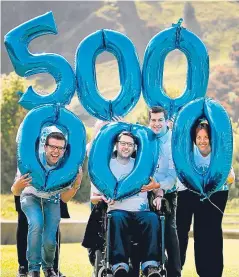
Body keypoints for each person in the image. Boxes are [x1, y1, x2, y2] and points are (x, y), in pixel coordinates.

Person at [87, 126, 162, 277]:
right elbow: (93, 198)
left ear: (135, 147)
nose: (126, 147)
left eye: (130, 144)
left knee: (153, 218)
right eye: (123, 143)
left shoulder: (142, 165)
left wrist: (158, 194)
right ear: (116, 144)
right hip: (117, 212)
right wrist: (102, 198)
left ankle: (151, 265)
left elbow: (157, 188)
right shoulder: (106, 166)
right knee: (117, 218)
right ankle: (119, 265)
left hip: (141, 212)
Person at [11, 132, 83, 277]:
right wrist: (17, 186)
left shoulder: (66, 167)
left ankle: (49, 268)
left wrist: (76, 186)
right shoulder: (31, 160)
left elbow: (64, 199)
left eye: (60, 148)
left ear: (64, 150)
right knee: (36, 223)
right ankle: (33, 269)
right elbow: (15, 190)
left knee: (50, 239)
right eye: (52, 147)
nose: (56, 151)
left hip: (52, 199)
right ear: (45, 146)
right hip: (30, 196)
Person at [176, 119, 235, 277]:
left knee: (212, 232)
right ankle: (196, 270)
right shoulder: (190, 152)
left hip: (217, 195)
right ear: (194, 139)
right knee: (197, 233)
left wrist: (221, 177)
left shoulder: (218, 151)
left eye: (205, 137)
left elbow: (231, 178)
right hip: (195, 194)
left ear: (210, 138)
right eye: (199, 137)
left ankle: (214, 272)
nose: (202, 141)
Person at [141, 106, 181, 277]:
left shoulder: (172, 141)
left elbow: (173, 176)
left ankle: (174, 272)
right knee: (147, 230)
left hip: (168, 191)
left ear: (166, 121)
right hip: (145, 191)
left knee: (169, 232)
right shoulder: (146, 138)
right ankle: (150, 268)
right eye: (153, 120)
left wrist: (159, 189)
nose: (156, 124)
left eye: (160, 120)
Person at [14, 195, 69, 277]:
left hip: (52, 189)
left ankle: (53, 268)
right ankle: (24, 267)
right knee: (24, 222)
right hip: (27, 190)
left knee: (53, 224)